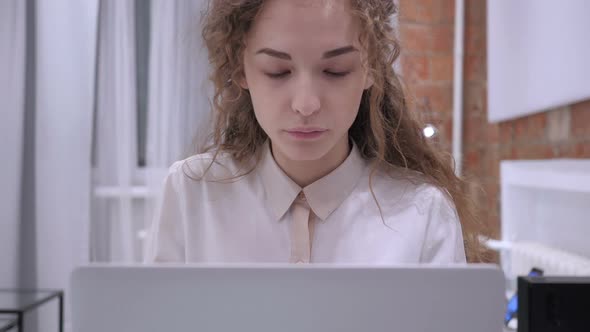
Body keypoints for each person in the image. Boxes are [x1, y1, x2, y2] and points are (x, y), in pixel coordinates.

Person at [144, 0, 488, 264]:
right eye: (278, 71)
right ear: (240, 69)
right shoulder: (194, 194)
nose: (306, 104)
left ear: (371, 70)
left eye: (335, 70)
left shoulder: (422, 212)